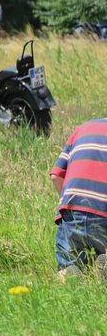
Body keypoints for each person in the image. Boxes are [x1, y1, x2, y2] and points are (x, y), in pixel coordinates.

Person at [53, 117, 107, 277]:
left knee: (69, 264)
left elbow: (56, 176)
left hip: (72, 210)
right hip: (104, 213)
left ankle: (70, 272)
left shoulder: (82, 129)